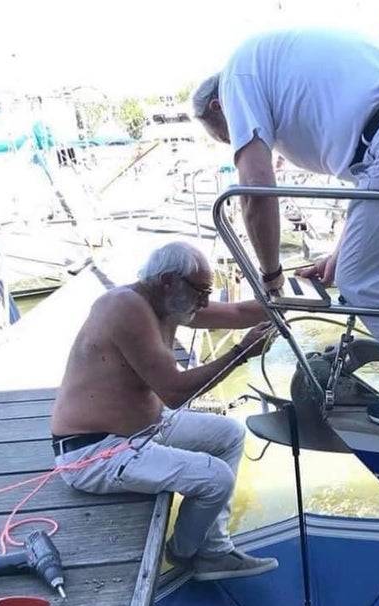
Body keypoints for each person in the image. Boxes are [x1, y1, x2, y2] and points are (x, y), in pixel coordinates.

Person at [193, 28, 379, 429]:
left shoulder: (237, 81)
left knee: (362, 283)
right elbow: (370, 182)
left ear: (219, 105)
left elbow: (255, 191)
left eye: (226, 136)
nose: (237, 141)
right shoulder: (274, 66)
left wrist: (270, 275)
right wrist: (340, 252)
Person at [51, 241, 278, 580]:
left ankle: (214, 549)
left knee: (229, 434)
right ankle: (185, 553)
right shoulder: (124, 307)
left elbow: (238, 314)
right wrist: (241, 352)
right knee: (216, 479)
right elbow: (174, 392)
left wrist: (291, 301)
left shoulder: (168, 303)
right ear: (168, 280)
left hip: (143, 429)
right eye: (200, 292)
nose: (203, 302)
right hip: (96, 451)